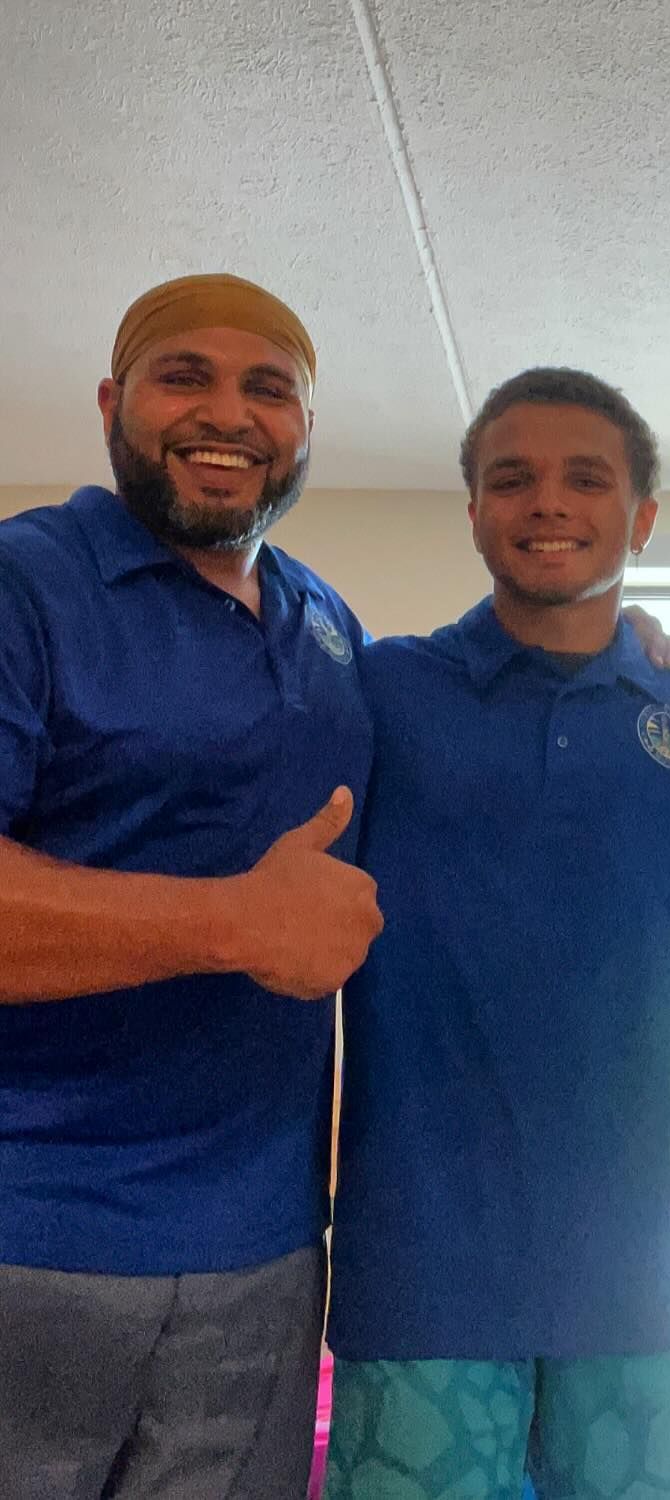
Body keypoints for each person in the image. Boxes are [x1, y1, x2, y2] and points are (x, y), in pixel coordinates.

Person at [0, 273, 384, 1498]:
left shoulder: (330, 623)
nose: (229, 411)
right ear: (114, 401)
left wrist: (643, 644)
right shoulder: (26, 582)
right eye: (186, 376)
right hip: (33, 1239)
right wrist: (229, 923)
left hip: (266, 1261)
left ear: (305, 430)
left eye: (268, 388)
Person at [323, 368, 670, 1499]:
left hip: (649, 1276)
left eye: (586, 480)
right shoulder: (381, 689)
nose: (547, 501)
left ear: (643, 519)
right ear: (473, 513)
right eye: (513, 479)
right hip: (423, 1271)